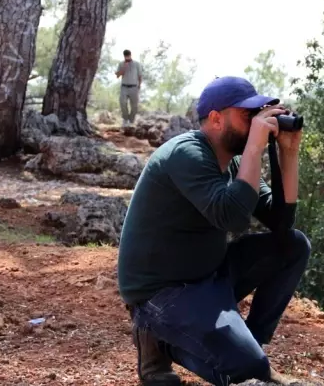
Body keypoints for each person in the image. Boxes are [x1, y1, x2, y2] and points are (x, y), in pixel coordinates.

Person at [117, 76, 311, 386]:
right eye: (247, 115)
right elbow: (232, 218)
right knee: (250, 371)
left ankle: (250, 343)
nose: (257, 121)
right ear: (216, 119)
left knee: (294, 246)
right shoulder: (186, 153)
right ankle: (156, 339)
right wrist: (255, 149)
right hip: (163, 291)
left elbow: (281, 223)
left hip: (208, 275)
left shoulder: (235, 162)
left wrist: (289, 153)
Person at [115, 49, 143, 127]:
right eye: (125, 56)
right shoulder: (121, 64)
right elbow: (117, 75)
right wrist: (124, 68)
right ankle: (125, 119)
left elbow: (140, 76)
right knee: (122, 102)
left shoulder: (137, 64)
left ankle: (131, 121)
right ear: (124, 56)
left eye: (128, 56)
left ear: (130, 55)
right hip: (124, 86)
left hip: (134, 86)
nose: (127, 57)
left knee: (134, 105)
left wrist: (139, 86)